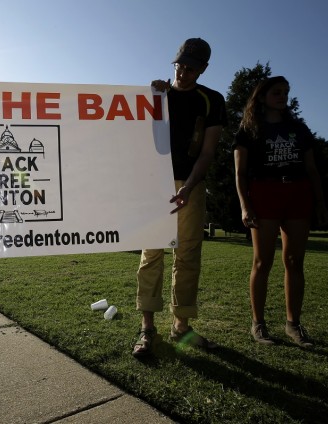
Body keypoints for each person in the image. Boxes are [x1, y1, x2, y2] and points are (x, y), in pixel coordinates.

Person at [132, 38, 227, 357]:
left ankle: (181, 326)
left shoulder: (212, 100)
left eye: (190, 68)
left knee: (187, 256)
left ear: (203, 69)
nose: (183, 73)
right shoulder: (158, 95)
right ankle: (147, 328)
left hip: (191, 183)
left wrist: (189, 186)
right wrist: (152, 95)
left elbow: (208, 151)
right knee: (151, 253)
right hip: (154, 184)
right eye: (179, 66)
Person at [233, 76, 328, 347]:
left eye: (286, 92)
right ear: (261, 97)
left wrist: (320, 202)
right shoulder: (249, 129)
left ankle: (293, 325)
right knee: (262, 262)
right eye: (277, 92)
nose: (283, 96)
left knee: (295, 262)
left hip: (298, 194)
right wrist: (244, 205)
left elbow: (312, 169)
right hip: (264, 195)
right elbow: (239, 172)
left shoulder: (298, 128)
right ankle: (258, 324)